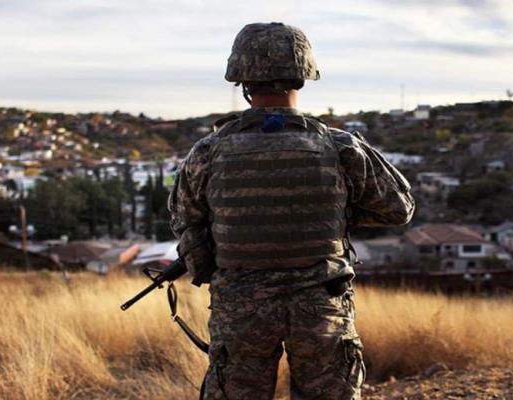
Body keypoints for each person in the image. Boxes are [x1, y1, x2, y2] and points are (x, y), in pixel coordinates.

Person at [169, 22, 415, 400]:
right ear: (303, 76)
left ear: (243, 82)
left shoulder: (208, 151)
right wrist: (334, 211)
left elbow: (186, 220)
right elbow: (399, 208)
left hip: (241, 310)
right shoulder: (340, 147)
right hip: (320, 306)